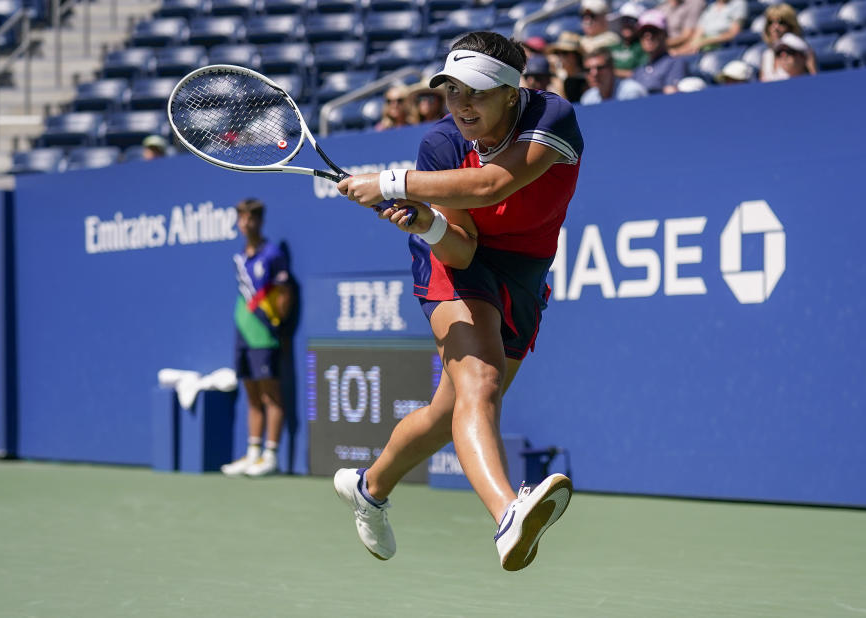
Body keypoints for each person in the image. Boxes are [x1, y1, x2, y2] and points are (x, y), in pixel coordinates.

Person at [334, 31, 579, 572]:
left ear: (512, 93)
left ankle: (369, 487)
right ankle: (508, 516)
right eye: (451, 91)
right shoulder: (440, 144)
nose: (462, 105)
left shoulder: (551, 119)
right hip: (456, 258)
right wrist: (425, 220)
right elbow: (463, 253)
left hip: (524, 275)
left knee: (451, 414)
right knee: (481, 384)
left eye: (477, 92)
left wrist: (392, 182)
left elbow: (491, 185)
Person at [220, 199, 293, 478]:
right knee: (251, 395)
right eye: (241, 218)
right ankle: (253, 454)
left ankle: (271, 455)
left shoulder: (272, 254)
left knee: (270, 396)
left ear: (259, 221)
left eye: (250, 218)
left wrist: (278, 325)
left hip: (264, 334)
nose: (245, 223)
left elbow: (285, 294)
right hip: (243, 332)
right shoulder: (240, 257)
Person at [632, 10, 687, 95]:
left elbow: (671, 96)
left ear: (664, 34)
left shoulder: (675, 63)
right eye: (643, 33)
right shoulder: (639, 70)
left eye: (653, 31)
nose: (648, 37)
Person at [759, 4, 816, 82]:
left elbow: (814, 80)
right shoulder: (767, 55)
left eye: (781, 22)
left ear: (791, 25)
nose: (775, 27)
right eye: (770, 22)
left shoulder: (802, 49)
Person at [673, 0, 747, 55]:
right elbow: (698, 33)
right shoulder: (710, 8)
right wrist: (689, 46)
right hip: (702, 43)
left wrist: (705, 41)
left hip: (721, 45)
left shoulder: (739, 4)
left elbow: (733, 33)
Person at [580, 47, 648, 104]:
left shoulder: (631, 91)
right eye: (588, 70)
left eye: (600, 68)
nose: (594, 73)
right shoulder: (588, 98)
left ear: (612, 68)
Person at [608, 2, 649, 79]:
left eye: (631, 21)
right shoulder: (613, 46)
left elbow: (639, 74)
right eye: (624, 20)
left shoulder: (642, 47)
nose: (627, 24)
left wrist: (611, 72)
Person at [546, 31, 589, 103]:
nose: (560, 57)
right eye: (557, 53)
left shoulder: (589, 80)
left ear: (576, 56)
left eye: (564, 53)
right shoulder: (560, 78)